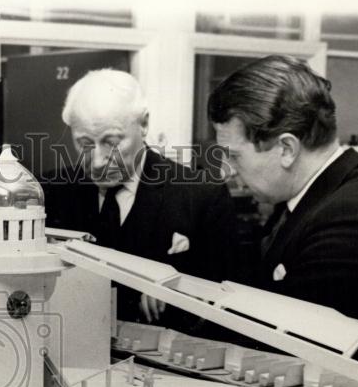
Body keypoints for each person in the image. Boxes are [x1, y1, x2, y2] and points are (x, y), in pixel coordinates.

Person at [208, 55, 358, 330]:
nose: (227, 170)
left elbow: (289, 343)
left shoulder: (355, 219)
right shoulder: (309, 195)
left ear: (287, 149)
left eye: (233, 156)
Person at [44, 69, 238, 325]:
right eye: (84, 144)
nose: (99, 161)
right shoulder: (48, 191)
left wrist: (182, 293)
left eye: (112, 142)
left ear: (144, 124)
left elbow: (225, 300)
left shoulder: (202, 193)